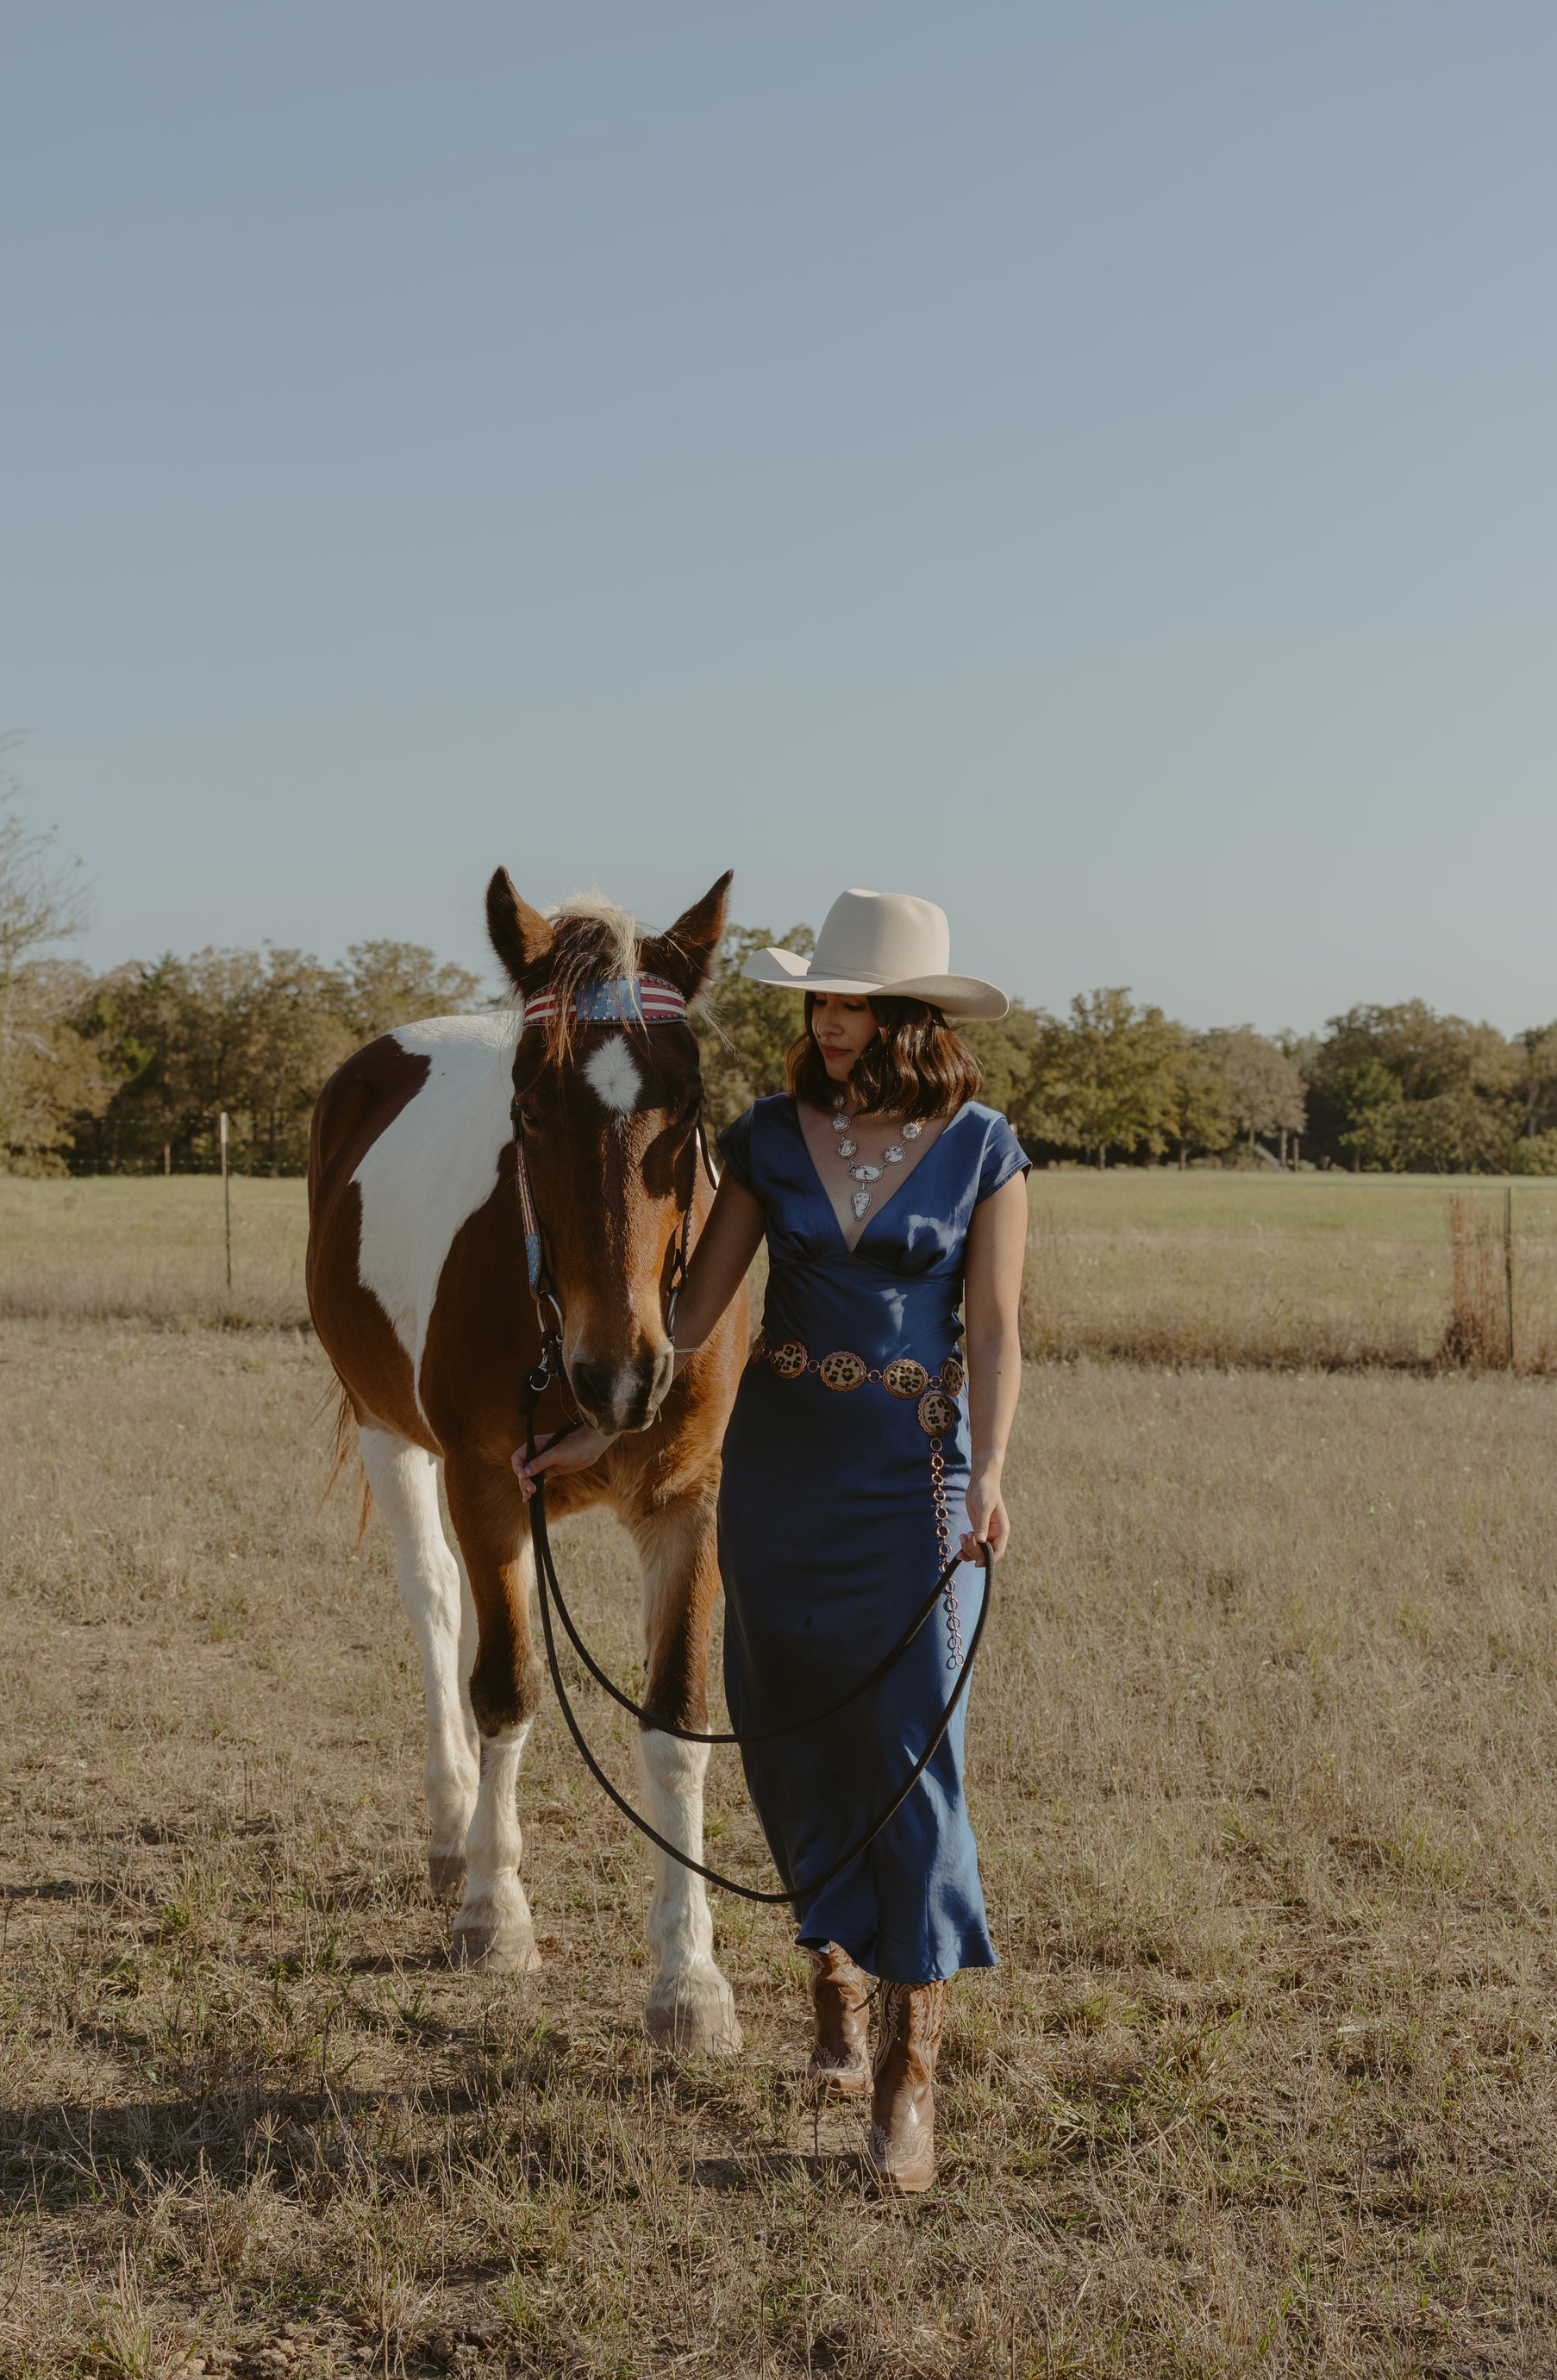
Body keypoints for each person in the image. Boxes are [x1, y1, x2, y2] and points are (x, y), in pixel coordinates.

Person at [516, 888, 1029, 2191]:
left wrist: (990, 1478)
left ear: (911, 1016)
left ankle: (911, 2078)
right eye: (823, 1001)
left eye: (857, 1003)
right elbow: (692, 1310)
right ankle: (833, 1986)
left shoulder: (982, 1148)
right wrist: (601, 1429)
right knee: (794, 1744)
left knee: (912, 1755)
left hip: (914, 1478)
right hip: (783, 1473)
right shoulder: (761, 1138)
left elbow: (1001, 1331)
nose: (835, 1024)